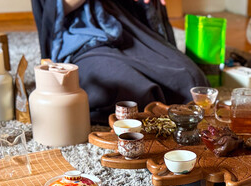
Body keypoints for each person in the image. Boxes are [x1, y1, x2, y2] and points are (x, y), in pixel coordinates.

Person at [31, 0, 210, 124]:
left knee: (191, 79)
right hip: (82, 39)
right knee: (134, 92)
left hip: (127, 29)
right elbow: (55, 8)